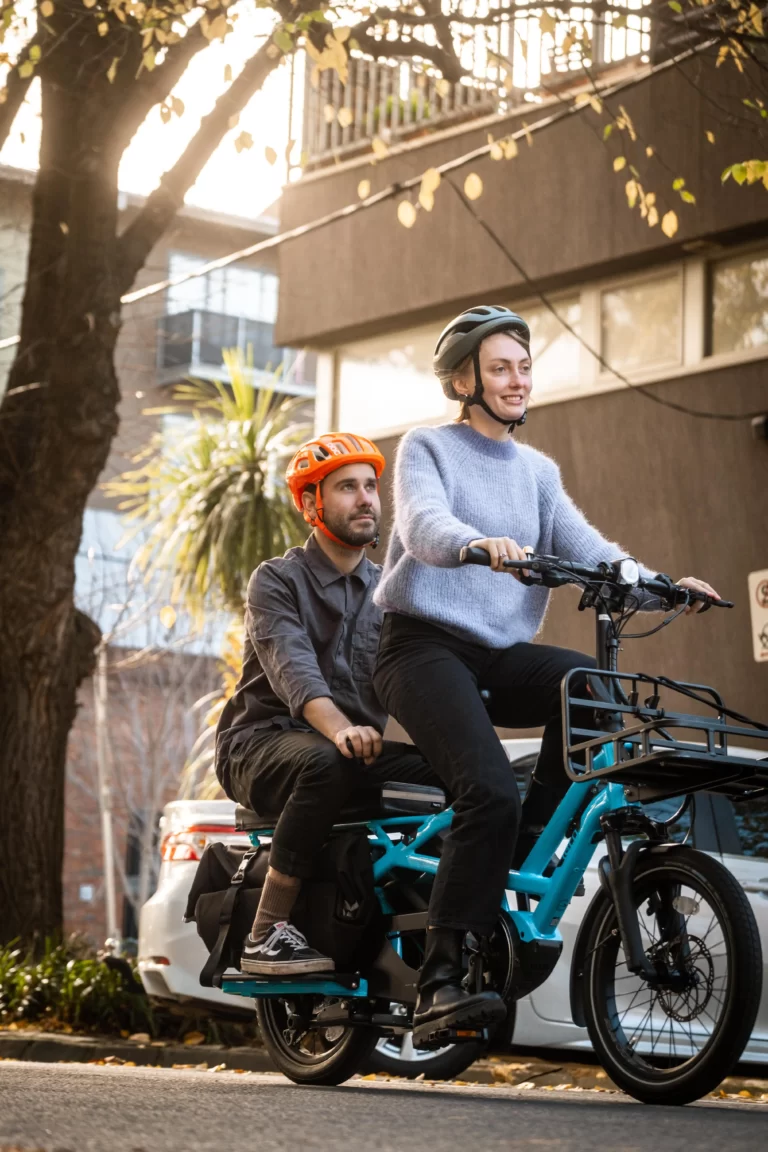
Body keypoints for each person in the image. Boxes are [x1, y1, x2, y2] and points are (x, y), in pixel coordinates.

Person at [372, 305, 721, 1042]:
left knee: (590, 686)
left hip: (496, 655)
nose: (516, 379)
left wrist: (661, 584)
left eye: (524, 367)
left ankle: (521, 841)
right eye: (500, 368)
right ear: (463, 379)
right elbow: (422, 525)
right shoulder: (426, 447)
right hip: (421, 648)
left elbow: (591, 549)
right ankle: (438, 980)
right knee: (486, 786)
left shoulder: (536, 472)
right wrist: (475, 545)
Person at [215, 432, 438, 977]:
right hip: (259, 747)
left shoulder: (391, 593)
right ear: (312, 504)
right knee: (328, 758)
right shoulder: (277, 580)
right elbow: (297, 675)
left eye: (370, 487)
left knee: (462, 775)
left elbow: (420, 682)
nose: (365, 498)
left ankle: (437, 926)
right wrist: (340, 730)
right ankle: (266, 931)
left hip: (352, 751)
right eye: (346, 488)